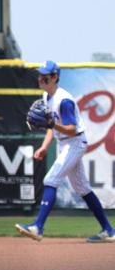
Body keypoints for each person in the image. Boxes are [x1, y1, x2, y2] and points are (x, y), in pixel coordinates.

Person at [15, 60, 115, 242]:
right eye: (40, 75)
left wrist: (53, 124)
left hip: (75, 142)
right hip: (65, 143)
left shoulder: (64, 100)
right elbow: (51, 128)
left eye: (44, 76)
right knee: (82, 188)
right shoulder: (46, 97)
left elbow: (71, 128)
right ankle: (109, 231)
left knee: (50, 179)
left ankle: (38, 227)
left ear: (54, 77)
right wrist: (45, 147)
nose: (40, 79)